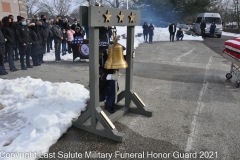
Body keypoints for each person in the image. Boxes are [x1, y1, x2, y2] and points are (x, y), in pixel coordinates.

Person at [98, 26, 119, 114]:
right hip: (102, 74)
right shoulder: (98, 31)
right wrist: (109, 76)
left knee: (113, 85)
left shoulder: (110, 31)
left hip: (109, 67)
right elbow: (98, 72)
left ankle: (109, 104)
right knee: (100, 95)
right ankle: (102, 99)